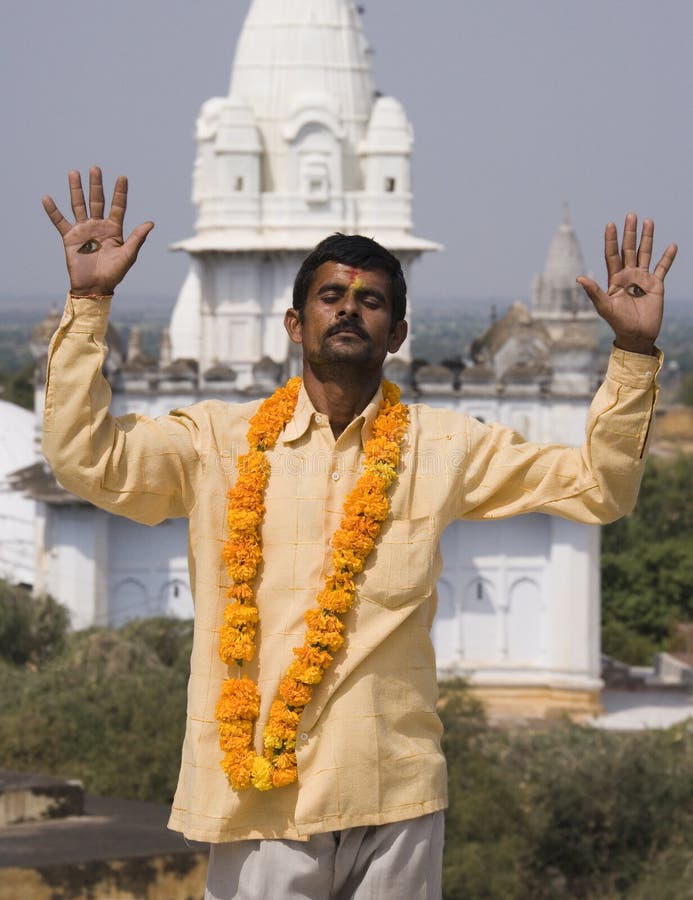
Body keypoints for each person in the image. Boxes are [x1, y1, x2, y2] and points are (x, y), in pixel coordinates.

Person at [42, 167, 676, 900]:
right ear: (294, 322)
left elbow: (598, 487)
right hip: (263, 802)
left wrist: (630, 357)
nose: (349, 311)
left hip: (393, 795)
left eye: (370, 301)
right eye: (331, 296)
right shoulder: (216, 442)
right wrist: (89, 302)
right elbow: (85, 457)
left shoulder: (443, 447)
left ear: (398, 333)